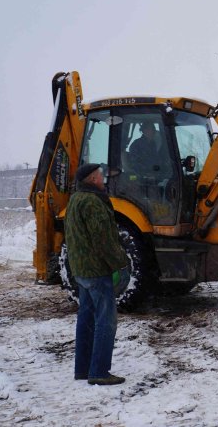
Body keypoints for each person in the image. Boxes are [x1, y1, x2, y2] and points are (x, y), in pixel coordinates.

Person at [64, 163, 129, 385]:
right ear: (92, 179)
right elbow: (104, 240)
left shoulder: (75, 199)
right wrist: (120, 264)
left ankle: (82, 369)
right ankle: (99, 371)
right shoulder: (93, 202)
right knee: (106, 321)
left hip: (81, 270)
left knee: (86, 318)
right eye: (100, 176)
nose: (103, 179)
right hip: (96, 271)